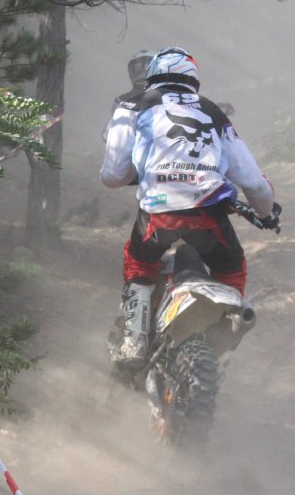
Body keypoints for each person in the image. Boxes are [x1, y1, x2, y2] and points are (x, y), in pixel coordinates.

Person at [100, 46, 281, 380]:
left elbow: (113, 175)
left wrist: (146, 171)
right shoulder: (213, 111)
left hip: (158, 216)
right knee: (231, 269)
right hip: (207, 217)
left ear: (150, 76)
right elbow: (254, 181)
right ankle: (219, 340)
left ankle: (134, 342)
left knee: (139, 264)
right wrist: (267, 212)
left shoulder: (131, 106)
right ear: (193, 79)